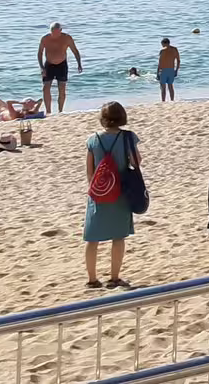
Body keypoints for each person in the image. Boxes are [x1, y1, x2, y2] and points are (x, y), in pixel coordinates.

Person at [83, 101, 137, 288]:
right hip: (120, 191)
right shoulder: (128, 137)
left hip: (98, 192)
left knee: (92, 238)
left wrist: (95, 188)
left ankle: (92, 279)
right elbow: (137, 162)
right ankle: (114, 277)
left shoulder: (93, 139)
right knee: (118, 236)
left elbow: (89, 170)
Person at [38, 23, 82, 115]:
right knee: (46, 88)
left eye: (56, 32)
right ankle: (48, 111)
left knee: (62, 88)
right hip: (49, 64)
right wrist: (42, 67)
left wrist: (79, 64)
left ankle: (60, 111)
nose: (54, 34)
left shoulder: (67, 38)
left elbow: (75, 51)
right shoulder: (45, 38)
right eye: (53, 32)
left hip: (62, 64)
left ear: (60, 30)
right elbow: (40, 53)